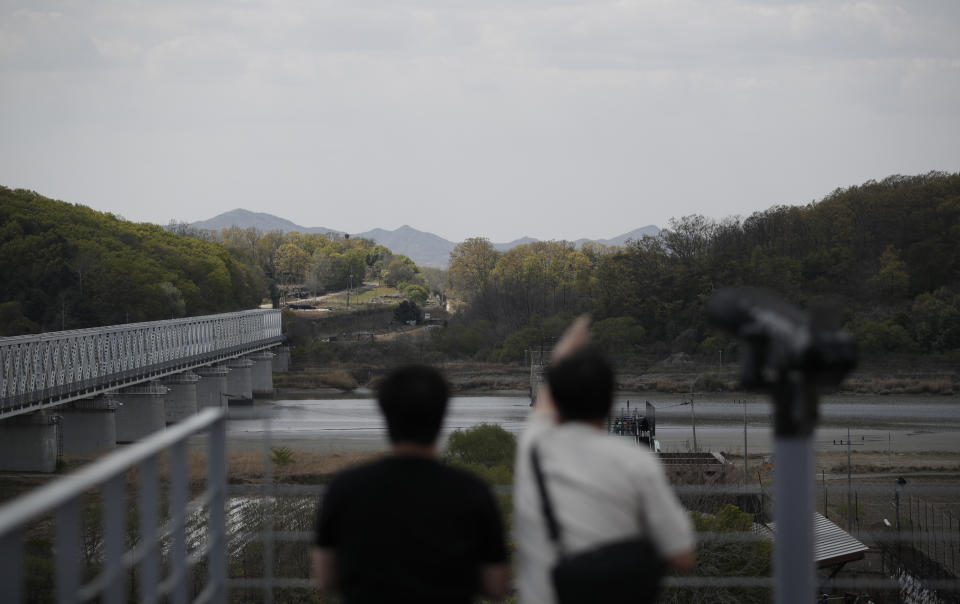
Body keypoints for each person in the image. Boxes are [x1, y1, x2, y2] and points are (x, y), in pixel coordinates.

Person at [513, 316, 695, 603]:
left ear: (556, 400)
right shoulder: (637, 461)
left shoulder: (533, 449)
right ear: (611, 400)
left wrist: (563, 352)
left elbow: (543, 407)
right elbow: (682, 556)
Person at [312, 364, 509, 603]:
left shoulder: (344, 488)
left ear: (385, 413)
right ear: (442, 414)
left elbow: (325, 578)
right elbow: (496, 584)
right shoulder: (473, 492)